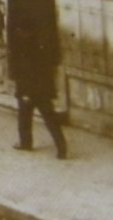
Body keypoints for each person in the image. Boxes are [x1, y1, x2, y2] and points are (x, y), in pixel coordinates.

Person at [7, 16, 68, 160]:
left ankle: (26, 143)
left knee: (24, 117)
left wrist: (25, 92)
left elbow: (25, 73)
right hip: (43, 91)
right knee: (50, 118)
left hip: (29, 90)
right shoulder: (39, 46)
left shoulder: (23, 50)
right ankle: (61, 147)